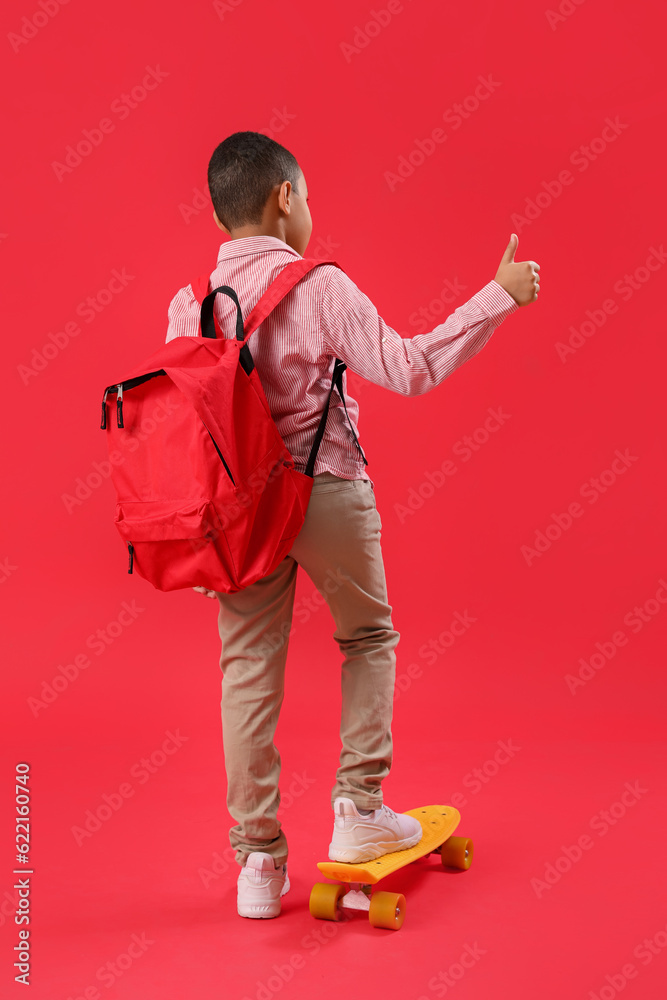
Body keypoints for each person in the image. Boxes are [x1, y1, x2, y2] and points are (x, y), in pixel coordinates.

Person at [165, 131, 540, 919]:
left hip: (237, 516)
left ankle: (258, 866)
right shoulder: (319, 284)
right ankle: (359, 810)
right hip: (327, 491)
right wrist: (497, 293)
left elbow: (189, 435)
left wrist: (206, 535)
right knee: (366, 639)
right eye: (307, 195)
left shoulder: (188, 303)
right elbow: (408, 367)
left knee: (246, 674)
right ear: (286, 198)